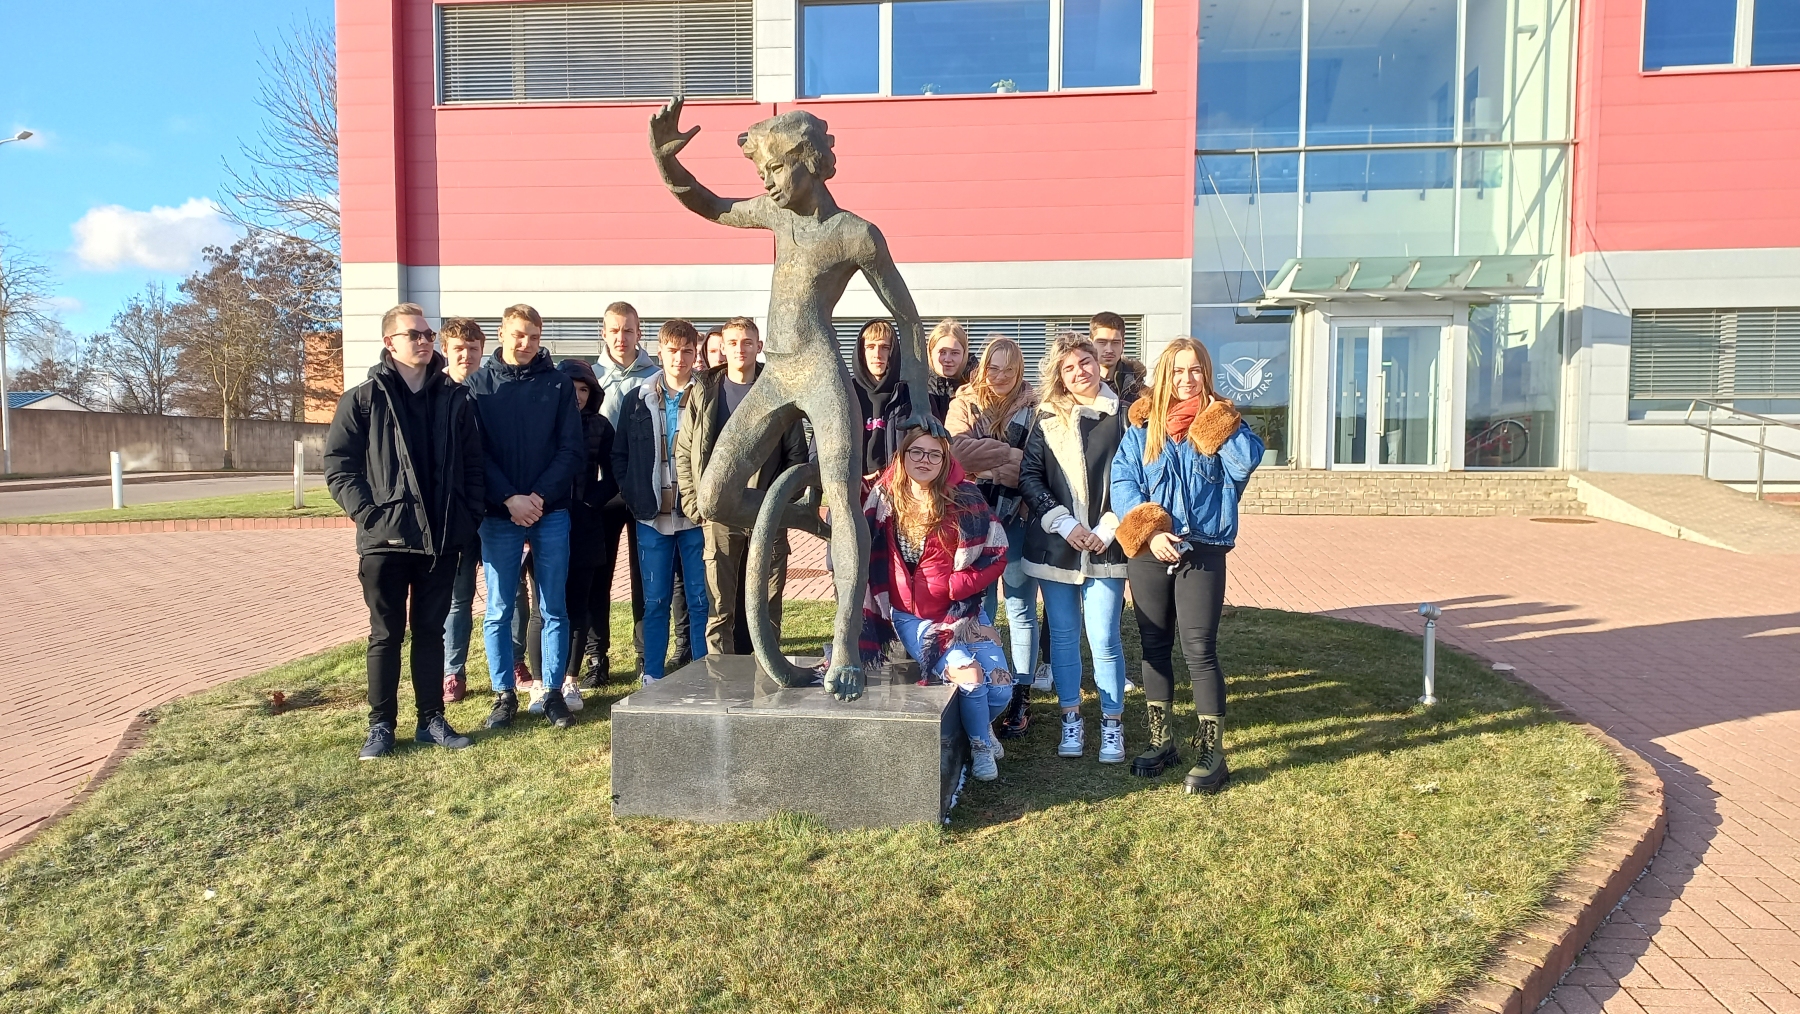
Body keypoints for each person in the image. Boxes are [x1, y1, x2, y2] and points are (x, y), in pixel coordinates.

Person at [651, 99, 936, 701]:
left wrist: (919, 400)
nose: (769, 184)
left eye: (777, 170)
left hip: (822, 374)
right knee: (714, 497)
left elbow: (908, 320)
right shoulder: (775, 215)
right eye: (764, 175)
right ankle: (807, 516)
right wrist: (665, 161)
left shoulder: (855, 234)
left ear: (810, 161)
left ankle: (845, 648)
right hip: (776, 374)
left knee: (845, 503)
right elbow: (711, 204)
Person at [325, 303, 484, 759]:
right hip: (385, 541)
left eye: (428, 334)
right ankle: (381, 726)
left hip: (441, 541)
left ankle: (431, 720)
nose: (424, 341)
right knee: (385, 635)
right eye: (414, 334)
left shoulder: (455, 399)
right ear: (389, 342)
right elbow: (339, 466)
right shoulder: (362, 399)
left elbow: (474, 467)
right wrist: (368, 515)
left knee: (431, 633)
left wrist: (467, 517)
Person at [1112, 338, 1263, 793]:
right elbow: (1123, 481)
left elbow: (1245, 465)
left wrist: (1217, 424)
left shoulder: (1223, 421)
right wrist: (1151, 531)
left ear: (1206, 373)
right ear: (1165, 375)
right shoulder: (1142, 427)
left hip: (1203, 548)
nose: (1186, 379)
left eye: (1195, 370)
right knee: (1154, 646)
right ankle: (1162, 741)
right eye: (1177, 370)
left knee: (1199, 648)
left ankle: (1212, 753)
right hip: (1151, 550)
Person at [859, 430, 1012, 780]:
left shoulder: (966, 497)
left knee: (1001, 688)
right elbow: (841, 496)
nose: (924, 460)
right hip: (913, 618)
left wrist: (960, 585)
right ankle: (980, 745)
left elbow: (998, 551)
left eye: (934, 454)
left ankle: (979, 726)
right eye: (916, 452)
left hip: (963, 613)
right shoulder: (884, 498)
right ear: (902, 457)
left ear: (945, 461)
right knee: (972, 678)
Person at [467, 303, 586, 730]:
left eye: (534, 337)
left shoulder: (557, 385)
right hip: (499, 515)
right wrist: (508, 499)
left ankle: (552, 692)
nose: (526, 343)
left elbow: (571, 449)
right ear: (501, 334)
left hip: (549, 511)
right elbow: (475, 453)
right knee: (499, 608)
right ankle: (504, 695)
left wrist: (537, 497)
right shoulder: (478, 386)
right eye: (518, 335)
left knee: (553, 605)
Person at [1019, 331, 1131, 763]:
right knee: (1063, 637)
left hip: (1108, 545)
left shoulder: (1124, 415)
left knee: (1104, 636)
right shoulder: (1046, 417)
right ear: (1060, 376)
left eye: (1085, 362)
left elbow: (1135, 477)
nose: (1079, 371)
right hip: (1057, 545)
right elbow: (1030, 477)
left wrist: (1107, 528)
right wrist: (1064, 524)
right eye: (1069, 367)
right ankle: (1071, 718)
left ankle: (1112, 723)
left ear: (1098, 363)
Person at [674, 316, 810, 656]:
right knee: (720, 607)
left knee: (768, 602)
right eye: (733, 343)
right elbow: (686, 451)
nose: (739, 349)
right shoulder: (705, 391)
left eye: (747, 342)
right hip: (720, 512)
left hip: (767, 512)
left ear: (759, 347)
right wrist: (695, 503)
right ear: (722, 347)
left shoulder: (778, 390)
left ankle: (767, 669)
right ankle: (720, 673)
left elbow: (797, 455)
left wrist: (779, 503)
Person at [945, 335, 1038, 739]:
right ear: (982, 368)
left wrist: (984, 462)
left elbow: (1034, 465)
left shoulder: (1035, 408)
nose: (999, 377)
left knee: (1019, 607)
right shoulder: (964, 402)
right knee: (979, 605)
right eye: (993, 368)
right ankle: (983, 682)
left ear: (1019, 371)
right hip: (971, 520)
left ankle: (1021, 692)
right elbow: (955, 454)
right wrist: (1008, 458)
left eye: (1008, 370)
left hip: (1017, 517)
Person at [616, 319, 711, 681]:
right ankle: (652, 673)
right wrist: (634, 492)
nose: (679, 358)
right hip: (652, 517)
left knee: (700, 599)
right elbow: (620, 454)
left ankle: (703, 673)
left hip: (695, 517)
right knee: (655, 600)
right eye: (672, 351)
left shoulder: (708, 396)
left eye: (687, 351)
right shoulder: (637, 399)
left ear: (695, 353)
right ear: (659, 352)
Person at [587, 301, 662, 683]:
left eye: (628, 330)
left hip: (643, 492)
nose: (621, 337)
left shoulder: (656, 377)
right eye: (614, 330)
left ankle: (645, 656)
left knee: (644, 578)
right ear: (604, 333)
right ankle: (595, 658)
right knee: (597, 578)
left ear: (639, 333)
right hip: (602, 494)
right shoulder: (590, 377)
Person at [548, 356, 618, 714]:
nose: (577, 395)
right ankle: (545, 680)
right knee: (547, 606)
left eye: (584, 389)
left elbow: (615, 473)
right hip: (546, 521)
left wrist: (591, 501)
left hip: (586, 525)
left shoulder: (601, 427)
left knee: (580, 603)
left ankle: (571, 678)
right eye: (570, 388)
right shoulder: (543, 423)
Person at [438, 317, 487, 705]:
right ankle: (453, 671)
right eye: (459, 349)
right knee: (458, 597)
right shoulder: (435, 395)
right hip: (457, 515)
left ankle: (516, 663)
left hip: (499, 509)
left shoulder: (492, 391)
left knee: (512, 593)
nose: (466, 356)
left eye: (473, 349)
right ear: (445, 351)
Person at [853, 319, 912, 476]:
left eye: (885, 347)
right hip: (856, 484)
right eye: (870, 347)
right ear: (861, 352)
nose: (877, 354)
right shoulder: (847, 392)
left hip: (899, 483)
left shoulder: (909, 394)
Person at [1090, 311, 1146, 405]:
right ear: (1090, 344)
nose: (1109, 350)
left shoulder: (1139, 392)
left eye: (1115, 342)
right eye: (1102, 342)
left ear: (1123, 345)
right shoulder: (1079, 385)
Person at [925, 317, 970, 422]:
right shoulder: (917, 389)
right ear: (930, 352)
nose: (948, 359)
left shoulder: (974, 390)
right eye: (942, 352)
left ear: (964, 354)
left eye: (955, 353)